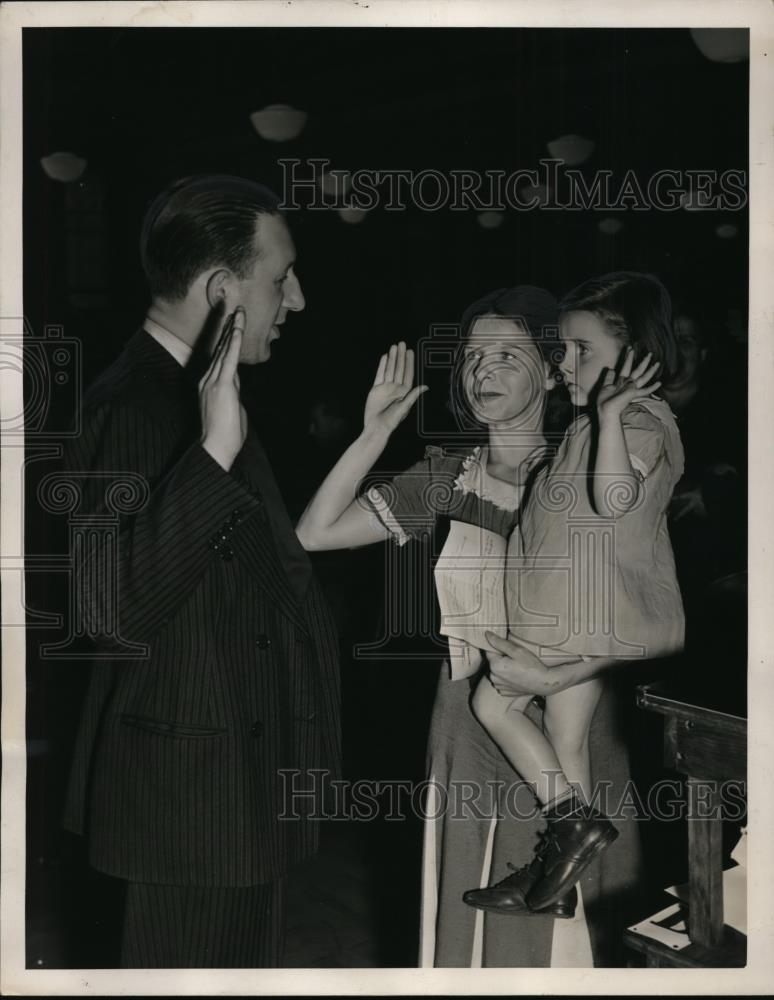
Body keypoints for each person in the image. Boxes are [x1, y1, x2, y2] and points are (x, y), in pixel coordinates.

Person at [296, 286, 644, 966]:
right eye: (473, 357)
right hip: (466, 709)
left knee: (566, 930)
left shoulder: (586, 463)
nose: (484, 370)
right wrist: (374, 432)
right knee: (469, 899)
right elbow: (314, 532)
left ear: (551, 371)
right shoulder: (448, 474)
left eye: (508, 355)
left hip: (572, 709)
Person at [60, 175, 341, 968]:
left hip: (231, 797)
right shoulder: (133, 405)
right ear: (222, 290)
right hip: (184, 812)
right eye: (280, 278)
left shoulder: (195, 394)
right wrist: (214, 452)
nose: (298, 300)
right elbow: (105, 607)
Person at [464, 272, 685, 917]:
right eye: (563, 348)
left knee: (494, 703)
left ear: (636, 357)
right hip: (569, 611)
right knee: (565, 744)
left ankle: (570, 826)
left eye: (581, 349)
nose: (565, 363)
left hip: (581, 616)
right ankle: (561, 882)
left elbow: (612, 501)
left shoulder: (638, 420)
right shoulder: (594, 424)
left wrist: (613, 414)